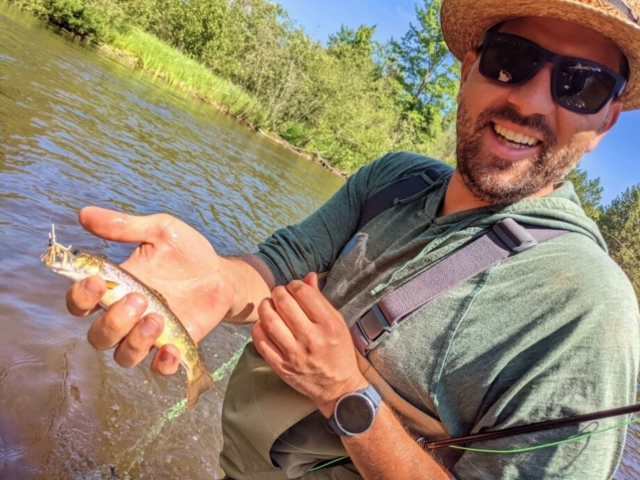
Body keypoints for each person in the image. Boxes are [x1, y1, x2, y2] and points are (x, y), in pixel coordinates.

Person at [66, 0, 640, 478]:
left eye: (581, 86)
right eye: (512, 61)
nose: (531, 101)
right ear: (471, 67)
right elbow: (280, 265)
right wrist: (216, 280)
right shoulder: (391, 180)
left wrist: (343, 390)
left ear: (607, 120)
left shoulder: (587, 312)